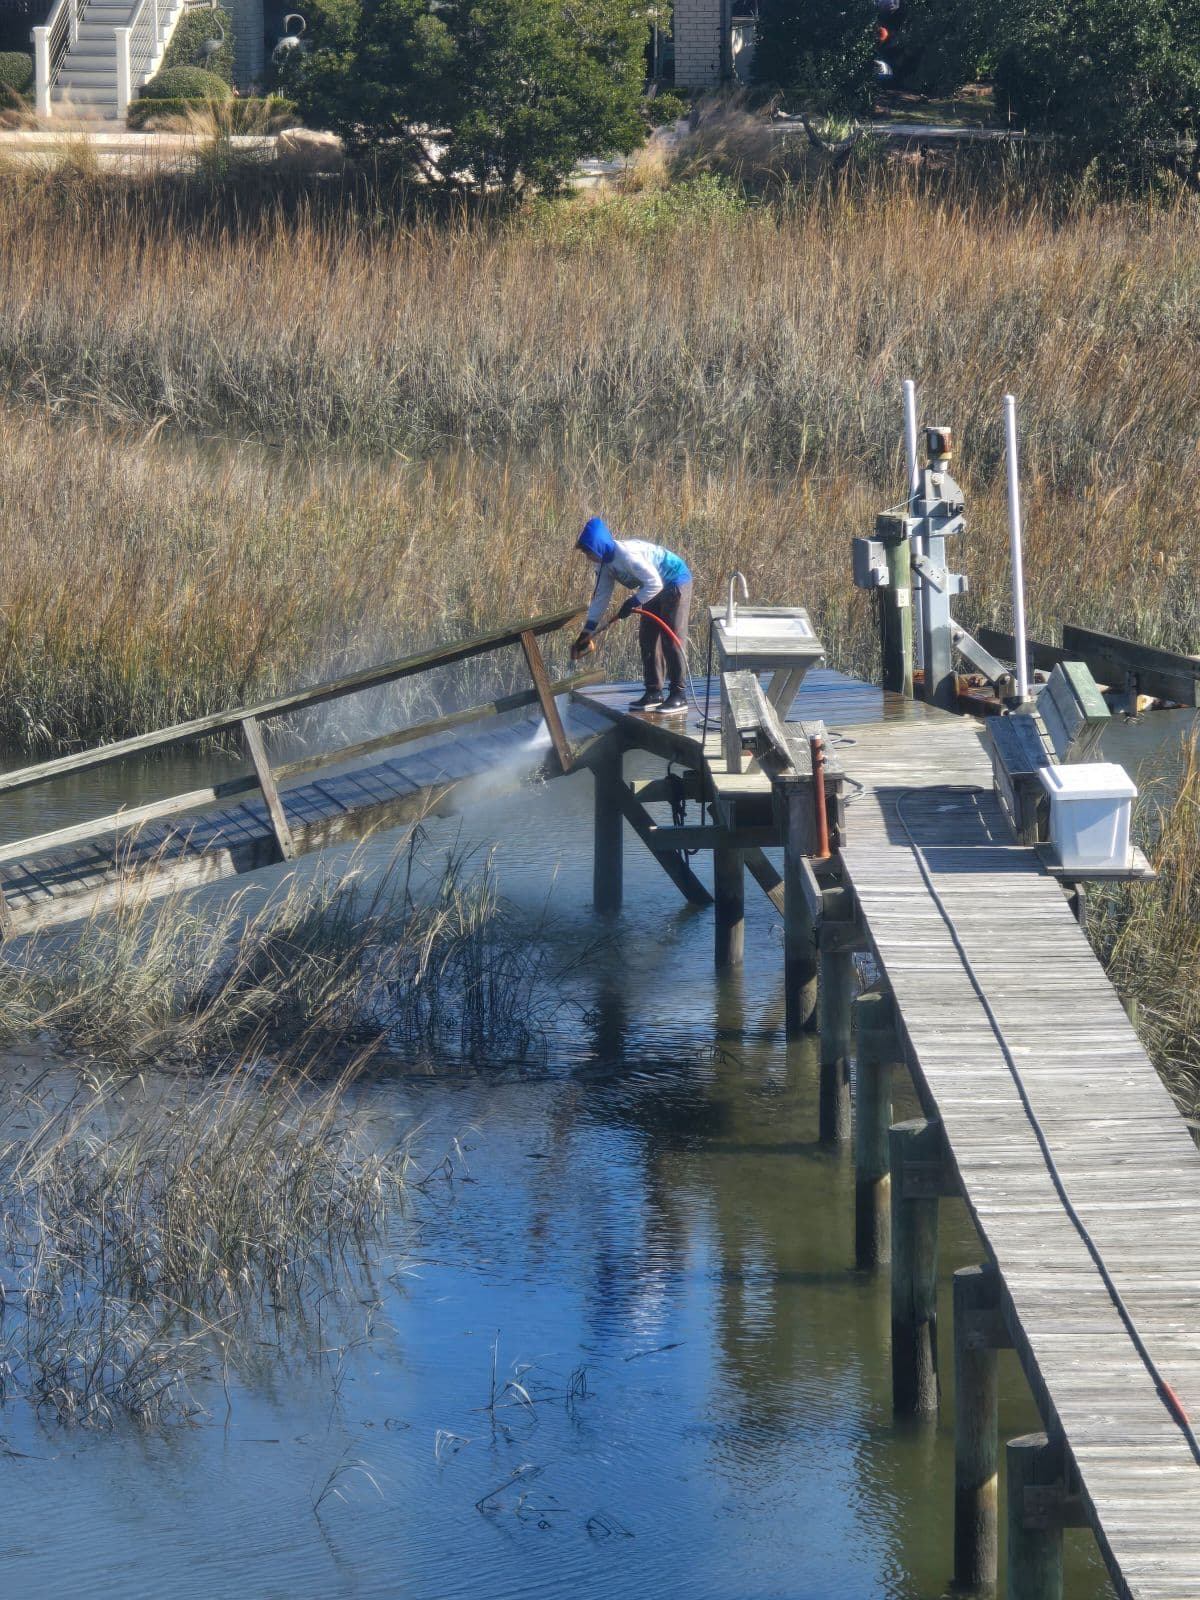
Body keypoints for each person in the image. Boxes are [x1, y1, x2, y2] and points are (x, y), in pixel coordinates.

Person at [570, 517, 693, 714]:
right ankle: (654, 692)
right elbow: (600, 596)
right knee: (647, 638)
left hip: (674, 581)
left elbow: (655, 583)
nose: (586, 556)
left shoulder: (627, 555)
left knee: (671, 639)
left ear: (597, 546)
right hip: (652, 587)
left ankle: (679, 695)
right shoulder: (603, 565)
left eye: (587, 551)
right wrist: (587, 631)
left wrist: (632, 603)